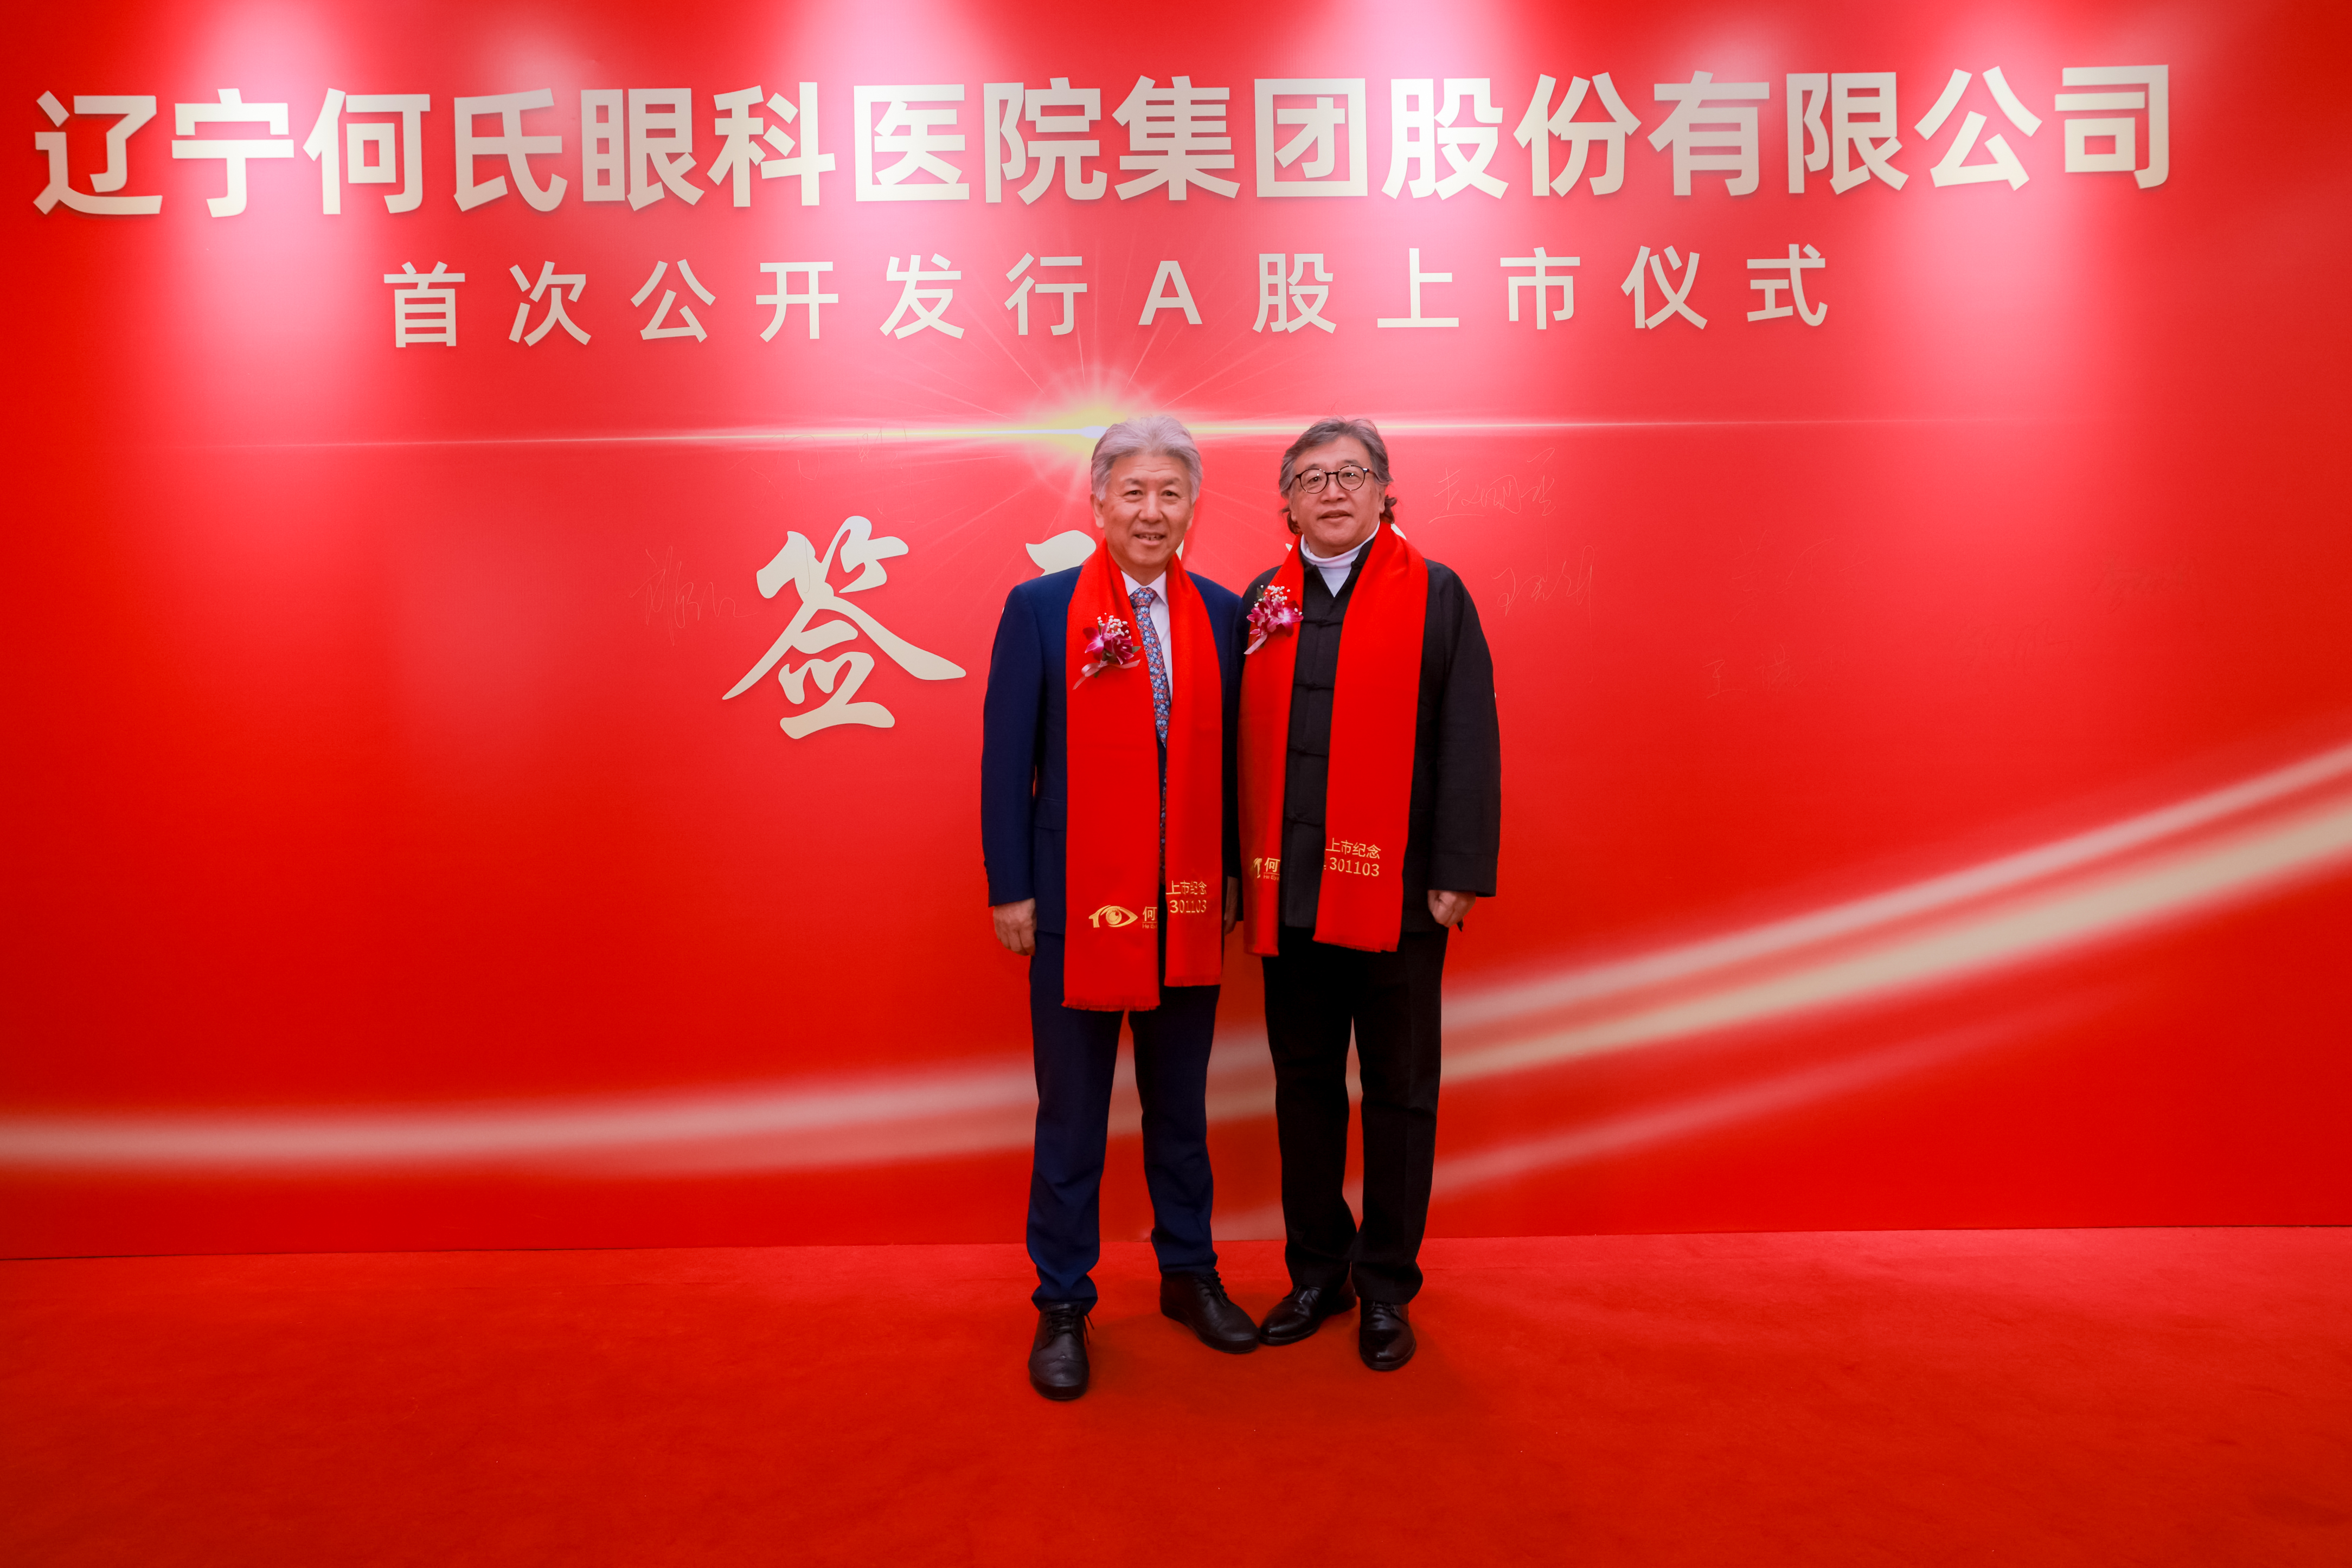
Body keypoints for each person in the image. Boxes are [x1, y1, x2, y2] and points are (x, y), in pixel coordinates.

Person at [980, 415, 1254, 1401]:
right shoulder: (1040, 608)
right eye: (1132, 491)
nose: (1151, 511)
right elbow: (1006, 760)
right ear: (1097, 502)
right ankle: (1062, 1299)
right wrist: (1011, 886)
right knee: (1073, 1115)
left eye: (1169, 493)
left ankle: (1188, 1272)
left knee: (1180, 1108)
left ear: (1192, 508)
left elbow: (1236, 762)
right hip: (1073, 906)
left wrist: (1231, 875)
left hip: (1185, 904)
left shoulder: (1221, 612)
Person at [1235, 416, 1501, 1372]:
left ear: (1385, 491)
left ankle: (1386, 1283)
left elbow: (1467, 732)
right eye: (1311, 479)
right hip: (1290, 897)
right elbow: (1233, 749)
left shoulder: (1435, 593)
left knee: (1398, 1093)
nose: (1332, 492)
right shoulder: (1261, 601)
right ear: (1287, 503)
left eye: (1350, 474)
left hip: (1398, 896)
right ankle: (1318, 1270)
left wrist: (1457, 871)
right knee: (1302, 1087)